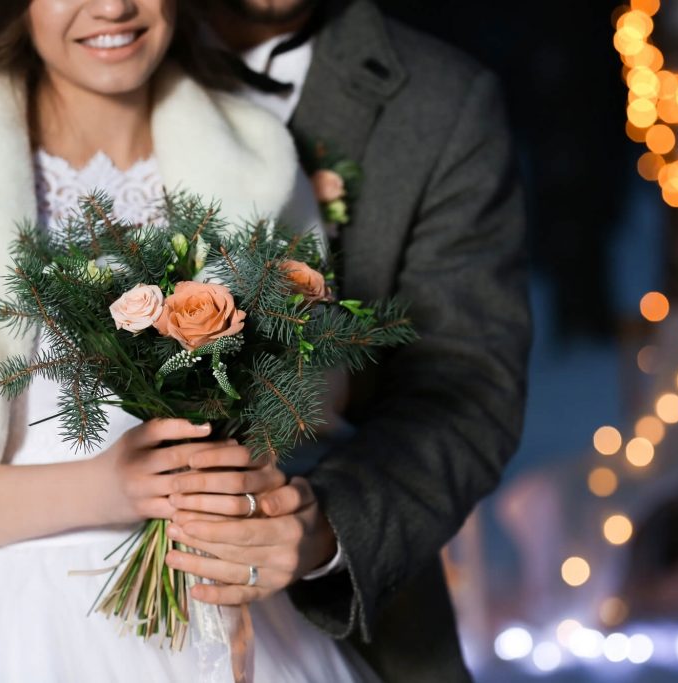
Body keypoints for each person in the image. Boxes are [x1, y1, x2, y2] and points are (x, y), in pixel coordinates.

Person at [0, 1, 374, 680]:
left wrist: (240, 473)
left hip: (225, 609)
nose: (112, 6)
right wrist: (110, 486)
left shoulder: (254, 151)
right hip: (7, 632)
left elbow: (316, 392)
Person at [162, 1, 532, 680]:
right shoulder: (81, 51)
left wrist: (325, 529)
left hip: (337, 636)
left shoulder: (443, 101)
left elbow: (465, 383)